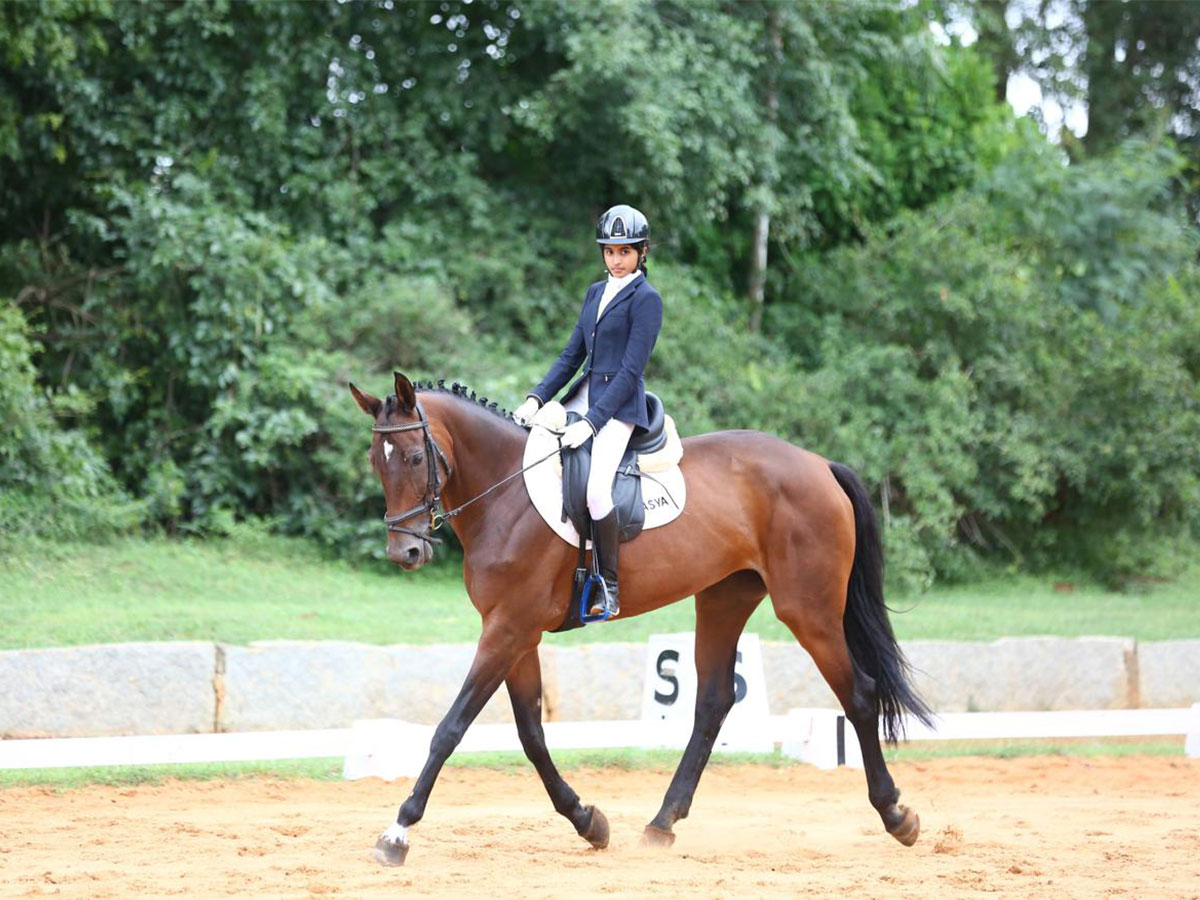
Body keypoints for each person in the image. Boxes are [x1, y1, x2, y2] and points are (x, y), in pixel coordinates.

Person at [513, 204, 664, 619]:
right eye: (610, 251)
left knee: (597, 489)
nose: (616, 260)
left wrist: (594, 424)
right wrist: (538, 397)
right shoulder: (595, 293)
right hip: (585, 395)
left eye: (625, 252)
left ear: (642, 252)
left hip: (619, 406)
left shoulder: (646, 300)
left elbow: (632, 370)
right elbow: (572, 354)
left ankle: (608, 586)